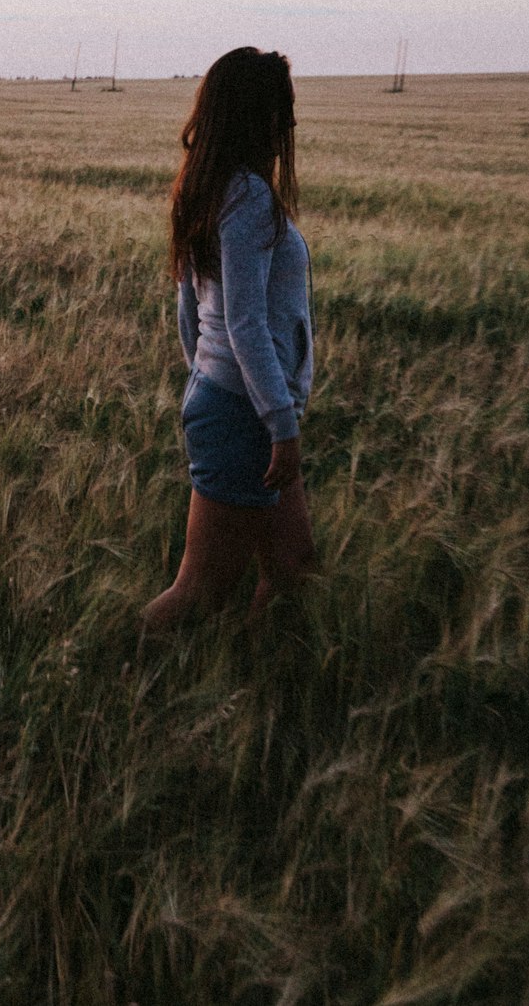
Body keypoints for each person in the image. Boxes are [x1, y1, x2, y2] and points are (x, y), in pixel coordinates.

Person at [143, 47, 317, 630]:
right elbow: (243, 323)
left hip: (234, 404)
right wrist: (278, 422)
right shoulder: (246, 198)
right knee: (201, 592)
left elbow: (189, 310)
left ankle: (260, 684)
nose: (290, 124)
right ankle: (112, 675)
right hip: (246, 414)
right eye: (282, 110)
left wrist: (205, 377)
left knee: (293, 569)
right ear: (255, 115)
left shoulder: (211, 189)